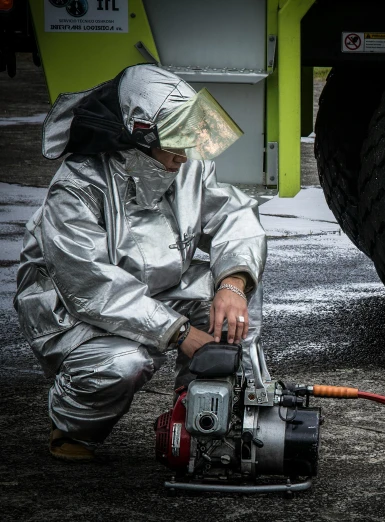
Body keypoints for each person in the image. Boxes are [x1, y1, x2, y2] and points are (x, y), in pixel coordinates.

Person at [13, 64, 267, 461]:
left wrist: (232, 285)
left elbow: (234, 217)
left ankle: (204, 412)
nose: (185, 155)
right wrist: (180, 333)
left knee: (231, 310)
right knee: (125, 362)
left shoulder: (183, 164)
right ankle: (71, 427)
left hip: (157, 288)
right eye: (175, 142)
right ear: (139, 135)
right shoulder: (75, 188)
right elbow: (92, 287)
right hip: (73, 312)